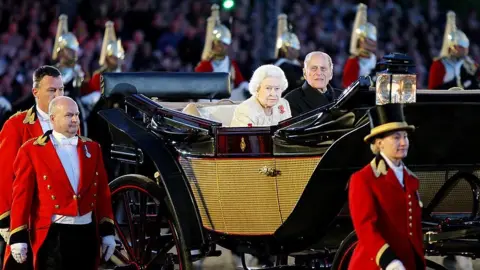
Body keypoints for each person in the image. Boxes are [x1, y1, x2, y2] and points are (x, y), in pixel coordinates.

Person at [7, 96, 115, 270]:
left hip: (87, 233)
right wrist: (18, 236)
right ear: (52, 118)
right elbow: (21, 196)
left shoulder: (93, 148)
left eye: (77, 115)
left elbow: (102, 193)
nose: (75, 119)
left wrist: (107, 231)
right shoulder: (32, 150)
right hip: (53, 235)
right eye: (69, 115)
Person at [0, 66, 64, 269]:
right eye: (52, 90)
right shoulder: (16, 125)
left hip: (62, 220)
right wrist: (6, 221)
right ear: (35, 92)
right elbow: (3, 175)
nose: (58, 95)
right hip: (27, 220)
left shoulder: (70, 124)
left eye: (61, 90)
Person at [348, 103, 425, 270]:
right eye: (396, 137)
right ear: (379, 143)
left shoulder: (410, 178)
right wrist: (389, 261)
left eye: (405, 136)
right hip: (377, 265)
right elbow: (365, 228)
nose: (403, 142)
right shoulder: (363, 179)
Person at [195, 4, 249, 101]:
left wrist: (247, 89)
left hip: (227, 99)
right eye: (218, 44)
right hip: (210, 99)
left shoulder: (230, 64)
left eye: (224, 44)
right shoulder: (206, 64)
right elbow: (198, 84)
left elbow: (241, 82)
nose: (221, 47)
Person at [428, 11, 480, 90]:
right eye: (461, 47)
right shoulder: (439, 65)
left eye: (466, 47)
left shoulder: (471, 64)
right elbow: (433, 91)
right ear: (453, 47)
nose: (465, 50)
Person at [284, 51, 343, 117]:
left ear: (331, 73)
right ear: (304, 73)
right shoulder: (290, 101)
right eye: (313, 68)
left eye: (323, 68)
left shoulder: (342, 97)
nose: (319, 73)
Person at [342, 3, 377, 89]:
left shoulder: (374, 58)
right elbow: (347, 86)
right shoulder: (353, 61)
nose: (370, 44)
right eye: (368, 41)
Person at [272, 14, 303, 97]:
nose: (297, 51)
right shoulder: (284, 67)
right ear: (288, 49)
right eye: (294, 48)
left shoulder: (298, 64)